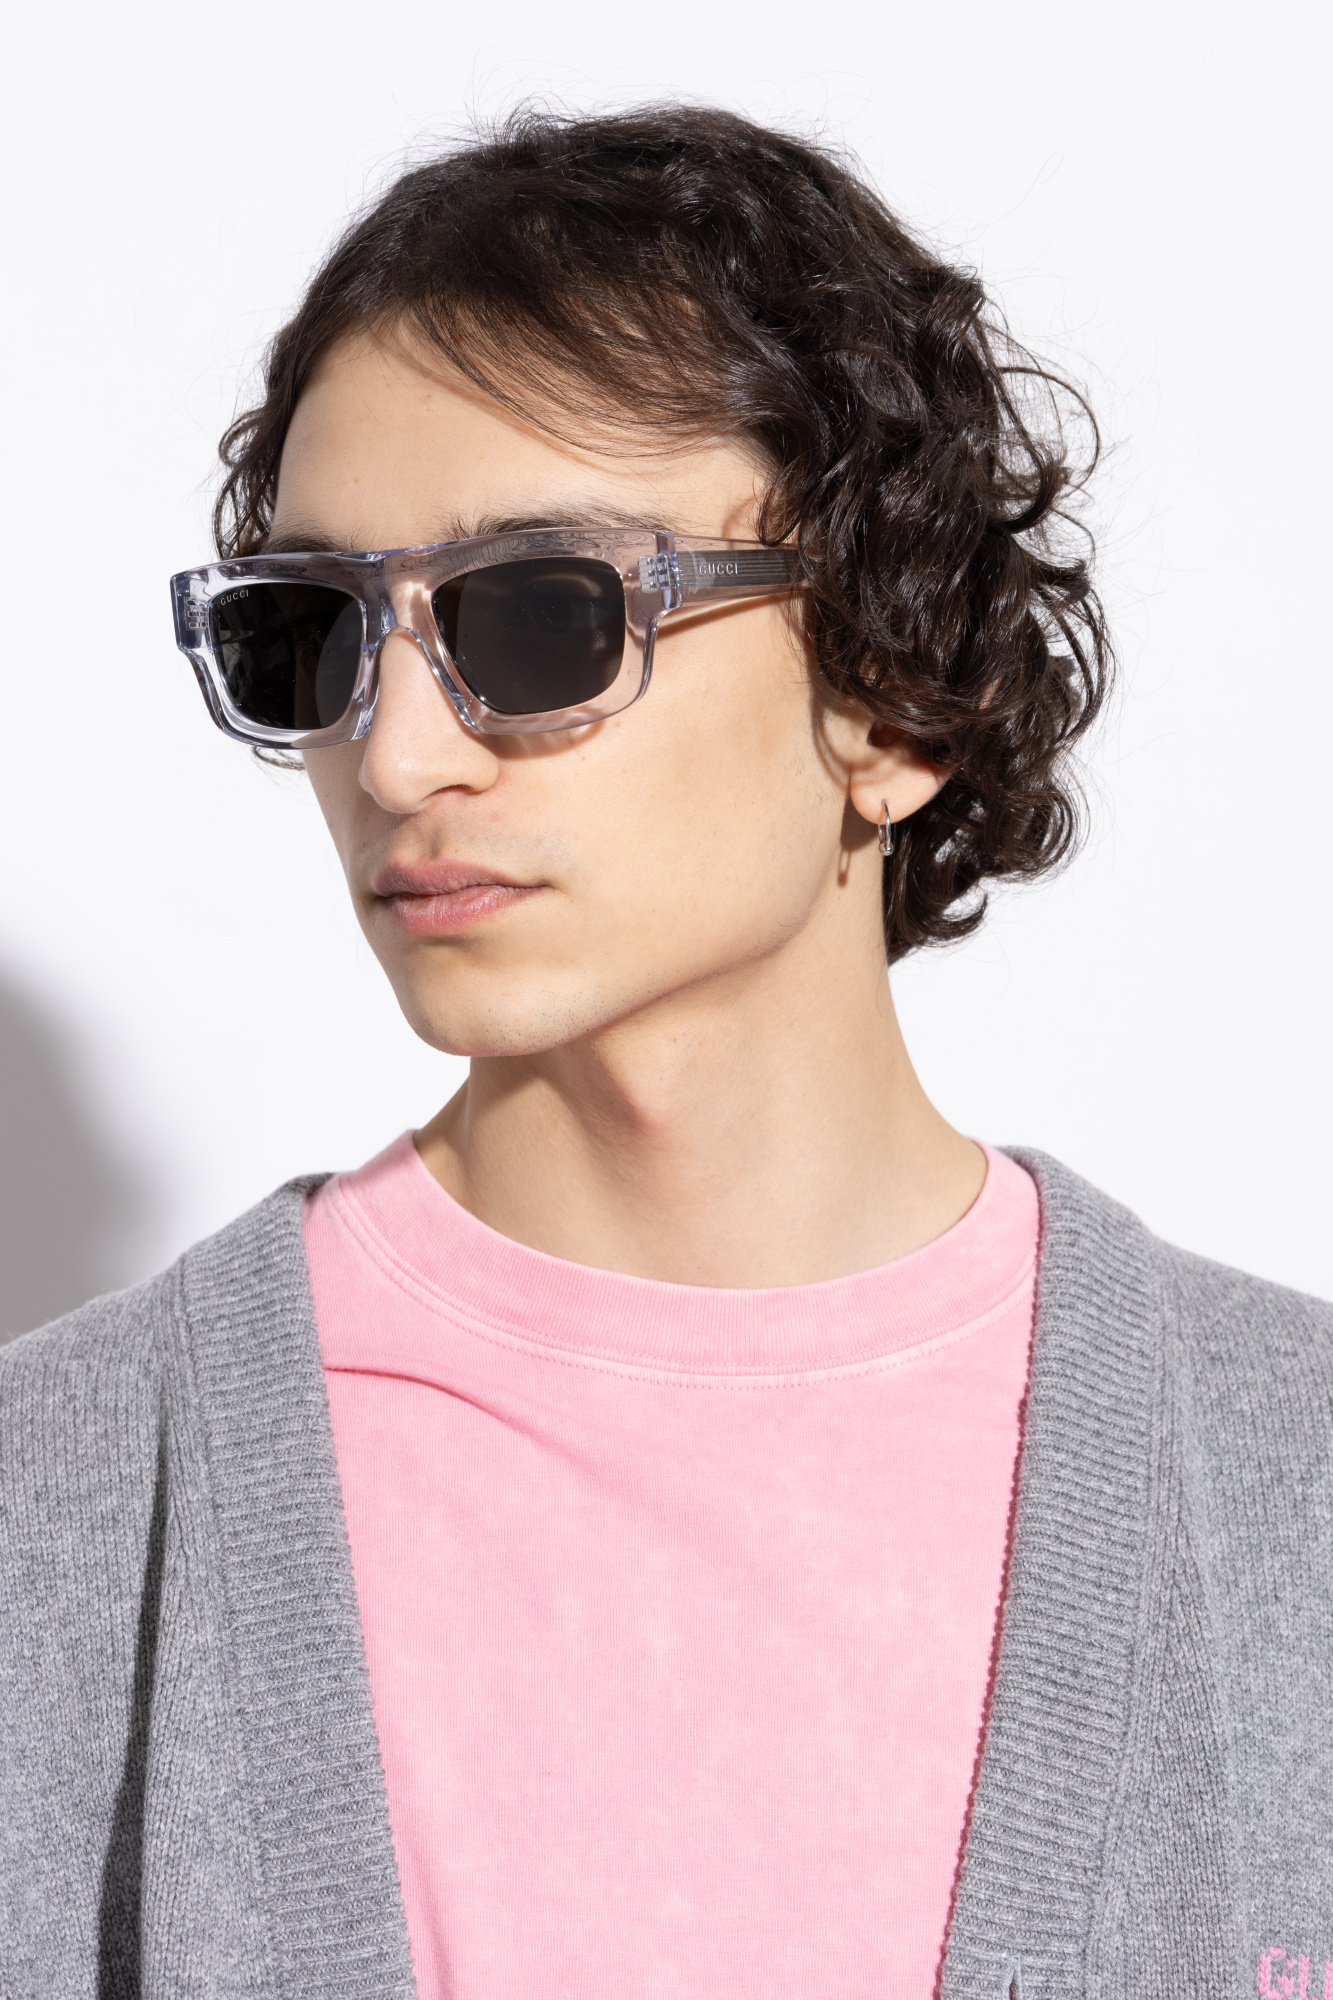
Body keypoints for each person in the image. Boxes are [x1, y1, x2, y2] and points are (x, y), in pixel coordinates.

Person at [1, 105, 1329, 2000]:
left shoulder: (1288, 1477)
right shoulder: (51, 1508)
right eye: (313, 637)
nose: (396, 760)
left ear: (892, 690)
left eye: (540, 620)